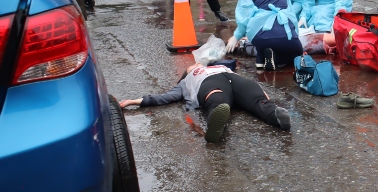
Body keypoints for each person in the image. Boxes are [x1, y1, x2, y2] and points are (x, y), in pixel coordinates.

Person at [119, 63, 291, 143]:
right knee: (218, 99)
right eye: (191, 66)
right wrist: (134, 101)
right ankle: (215, 124)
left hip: (233, 80)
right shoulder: (185, 83)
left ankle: (275, 115)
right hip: (211, 85)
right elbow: (164, 98)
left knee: (256, 97)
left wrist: (261, 93)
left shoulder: (219, 66)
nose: (195, 64)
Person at [226, 0, 303, 71]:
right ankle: (272, 58)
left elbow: (244, 20)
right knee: (297, 54)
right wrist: (294, 33)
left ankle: (261, 58)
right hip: (285, 33)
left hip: (260, 37)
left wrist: (236, 37)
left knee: (263, 42)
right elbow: (289, 10)